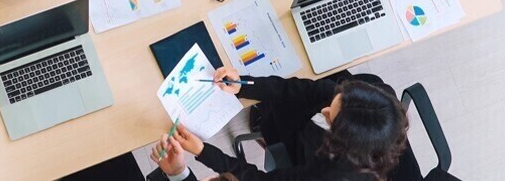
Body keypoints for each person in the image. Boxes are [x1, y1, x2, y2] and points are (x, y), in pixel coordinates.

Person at [147, 68, 411, 180]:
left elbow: (256, 179)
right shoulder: (374, 99)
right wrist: (243, 85)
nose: (326, 108)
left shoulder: (327, 174)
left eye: (331, 115)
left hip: (305, 151)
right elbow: (301, 90)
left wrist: (204, 152)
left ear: (340, 142)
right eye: (335, 100)